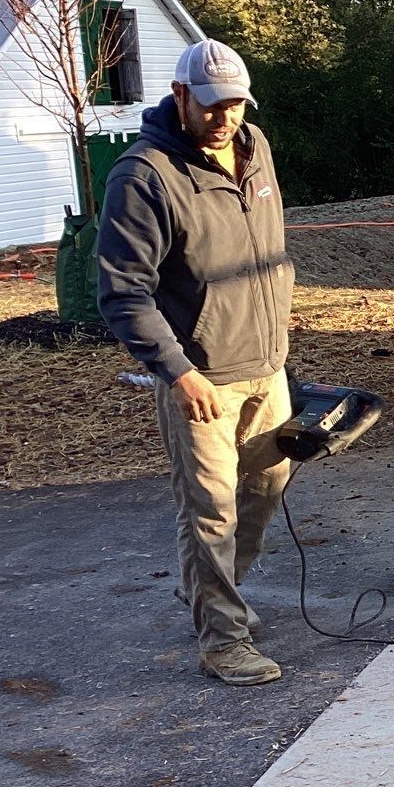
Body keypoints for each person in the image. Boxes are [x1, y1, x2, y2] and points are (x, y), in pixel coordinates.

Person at [97, 39, 295, 686]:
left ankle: (213, 594)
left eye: (235, 103)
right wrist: (178, 372)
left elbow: (267, 252)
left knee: (265, 489)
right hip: (200, 377)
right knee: (212, 509)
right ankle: (222, 640)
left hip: (265, 366)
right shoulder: (145, 175)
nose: (224, 117)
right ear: (181, 96)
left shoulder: (255, 147)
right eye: (211, 104)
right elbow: (122, 292)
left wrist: (277, 344)